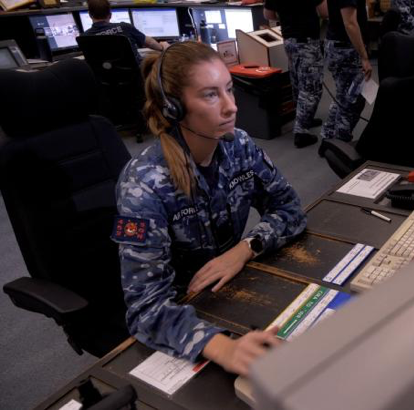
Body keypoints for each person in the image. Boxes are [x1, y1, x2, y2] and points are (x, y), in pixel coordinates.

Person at [112, 41, 307, 376]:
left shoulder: (238, 145)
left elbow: (290, 209)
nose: (231, 106)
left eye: (229, 89)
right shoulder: (143, 184)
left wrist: (247, 247)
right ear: (174, 107)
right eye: (211, 94)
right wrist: (224, 348)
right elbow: (145, 307)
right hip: (182, 313)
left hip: (231, 288)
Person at [263, 0, 328, 149]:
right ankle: (301, 132)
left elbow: (268, 14)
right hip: (307, 40)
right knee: (311, 87)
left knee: (298, 81)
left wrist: (288, 15)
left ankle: (306, 117)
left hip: (289, 39)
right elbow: (325, 12)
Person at [321, 0, 371, 143]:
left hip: (340, 46)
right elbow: (350, 23)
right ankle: (340, 142)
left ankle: (328, 137)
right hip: (346, 49)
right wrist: (364, 57)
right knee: (353, 99)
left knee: (343, 96)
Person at [81, 0, 168, 65]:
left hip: (105, 81)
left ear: (89, 15)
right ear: (110, 15)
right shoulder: (125, 27)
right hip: (134, 77)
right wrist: (162, 47)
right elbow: (149, 42)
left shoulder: (84, 38)